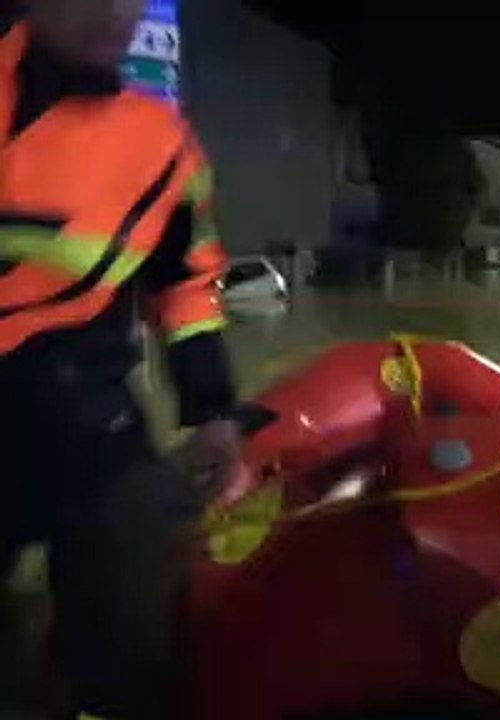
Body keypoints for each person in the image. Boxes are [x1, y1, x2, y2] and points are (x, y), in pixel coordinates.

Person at [0, 1, 240, 718]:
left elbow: (187, 282)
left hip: (87, 423)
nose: (115, 11)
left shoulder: (159, 143)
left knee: (130, 636)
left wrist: (213, 412)